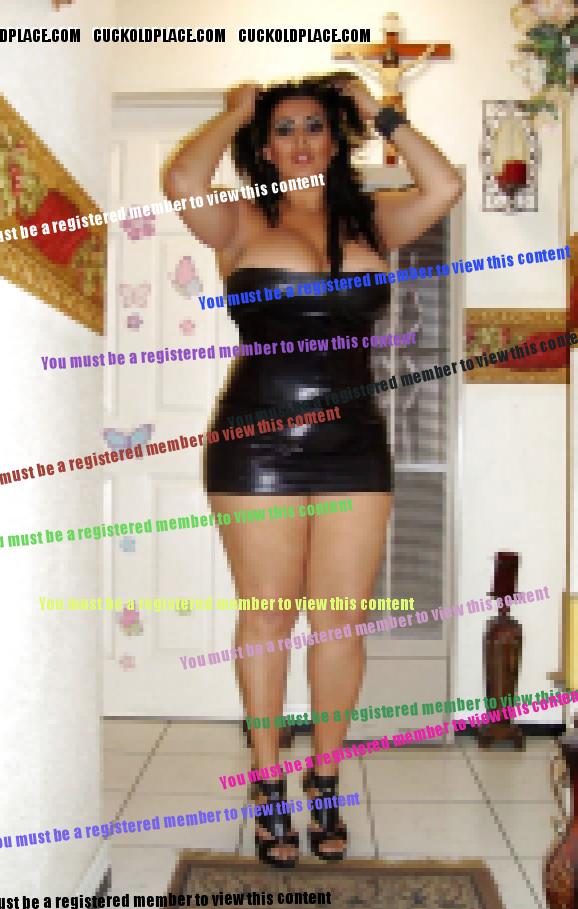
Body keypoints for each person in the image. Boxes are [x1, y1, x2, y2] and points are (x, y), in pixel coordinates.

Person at [163, 73, 462, 867]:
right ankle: (268, 783)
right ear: (264, 147)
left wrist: (378, 111)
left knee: (339, 620)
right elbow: (182, 179)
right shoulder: (238, 219)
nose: (300, 140)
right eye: (284, 129)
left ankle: (325, 778)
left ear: (336, 139)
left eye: (316, 126)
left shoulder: (375, 220)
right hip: (256, 442)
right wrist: (235, 110)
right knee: (268, 616)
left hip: (354, 443)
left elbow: (446, 184)